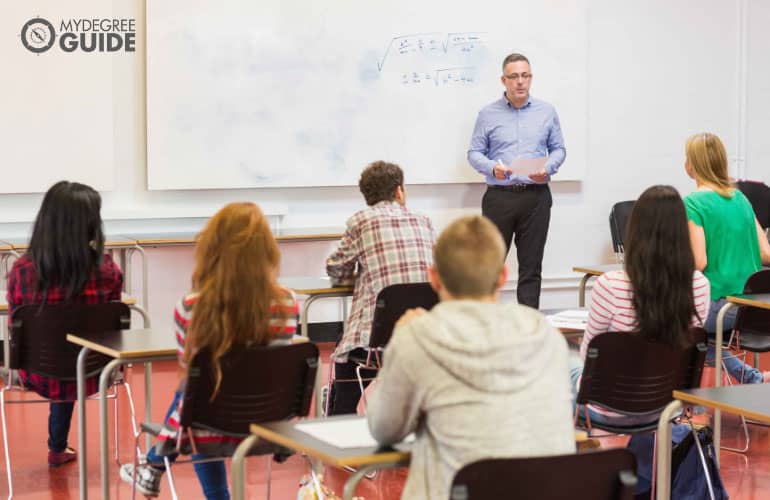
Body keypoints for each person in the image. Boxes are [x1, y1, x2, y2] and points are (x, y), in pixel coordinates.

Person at [367, 215, 575, 500]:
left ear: (434, 278)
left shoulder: (416, 337)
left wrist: (395, 345)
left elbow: (383, 429)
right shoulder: (547, 337)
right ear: (502, 276)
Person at [119, 202, 298, 499]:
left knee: (199, 393)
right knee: (203, 392)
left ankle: (157, 464)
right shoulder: (287, 304)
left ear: (212, 248)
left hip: (208, 426)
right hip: (270, 425)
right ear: (267, 250)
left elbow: (191, 375)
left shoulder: (190, 307)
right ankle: (153, 465)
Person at [570, 185, 711, 425]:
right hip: (668, 405)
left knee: (564, 362)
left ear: (634, 230)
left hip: (606, 406)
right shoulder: (699, 285)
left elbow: (588, 356)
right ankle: (645, 459)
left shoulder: (610, 285)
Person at [6, 181, 123, 467]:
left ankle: (57, 447)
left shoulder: (23, 272)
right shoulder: (108, 271)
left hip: (37, 372)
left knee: (59, 355)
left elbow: (15, 329)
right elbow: (115, 332)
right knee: (72, 353)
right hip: (96, 370)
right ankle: (57, 448)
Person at [325, 161, 434, 416]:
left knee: (347, 349)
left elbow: (335, 268)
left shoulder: (360, 221)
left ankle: (338, 418)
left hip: (376, 344)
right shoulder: (424, 221)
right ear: (399, 191)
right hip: (423, 338)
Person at [467, 52, 566, 309]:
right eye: (514, 77)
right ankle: (485, 322)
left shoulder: (547, 111)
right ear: (504, 80)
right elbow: (474, 153)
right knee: (489, 266)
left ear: (531, 77)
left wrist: (549, 167)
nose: (520, 82)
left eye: (525, 75)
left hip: (536, 197)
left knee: (531, 268)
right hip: (500, 198)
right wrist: (492, 168)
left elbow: (558, 149)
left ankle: (529, 327)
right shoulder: (488, 114)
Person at [683, 132, 770, 383]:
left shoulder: (693, 203)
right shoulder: (740, 198)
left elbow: (698, 262)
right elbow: (765, 253)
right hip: (752, 309)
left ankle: (692, 409)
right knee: (694, 336)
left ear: (691, 165)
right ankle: (751, 377)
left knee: (674, 329)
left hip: (720, 305)